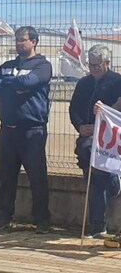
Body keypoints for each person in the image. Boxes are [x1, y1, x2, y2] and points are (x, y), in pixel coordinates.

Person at [0, 26, 52, 234]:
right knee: (6, 177)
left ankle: (41, 221)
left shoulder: (43, 65)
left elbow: (32, 81)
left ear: (34, 41)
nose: (18, 44)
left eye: (22, 40)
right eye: (16, 40)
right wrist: (16, 86)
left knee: (37, 178)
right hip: (7, 131)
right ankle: (4, 218)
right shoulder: (7, 65)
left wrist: (11, 86)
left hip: (32, 131)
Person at [70, 44, 121, 238]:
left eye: (97, 65)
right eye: (90, 66)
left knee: (99, 177)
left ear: (107, 63)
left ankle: (114, 183)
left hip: (108, 139)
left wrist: (100, 126)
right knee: (93, 181)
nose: (93, 69)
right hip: (87, 137)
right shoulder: (83, 83)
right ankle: (97, 225)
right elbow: (73, 108)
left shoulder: (117, 82)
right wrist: (80, 125)